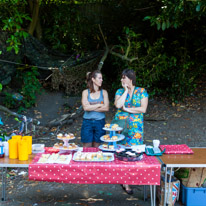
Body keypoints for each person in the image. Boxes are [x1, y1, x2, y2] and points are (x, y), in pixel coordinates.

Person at [114, 69, 148, 194]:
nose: (122, 80)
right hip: (121, 127)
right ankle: (125, 182)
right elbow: (118, 105)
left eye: (124, 77)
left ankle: (134, 177)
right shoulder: (119, 91)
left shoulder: (142, 91)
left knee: (135, 152)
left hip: (136, 128)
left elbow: (143, 109)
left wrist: (127, 109)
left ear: (131, 79)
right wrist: (125, 91)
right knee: (122, 153)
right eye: (122, 77)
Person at [81, 70, 109, 148]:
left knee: (98, 147)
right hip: (87, 122)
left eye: (102, 78)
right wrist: (99, 104)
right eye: (99, 78)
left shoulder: (104, 92)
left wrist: (91, 107)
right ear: (93, 79)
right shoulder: (85, 92)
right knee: (87, 146)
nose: (102, 80)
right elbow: (85, 108)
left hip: (100, 122)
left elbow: (106, 108)